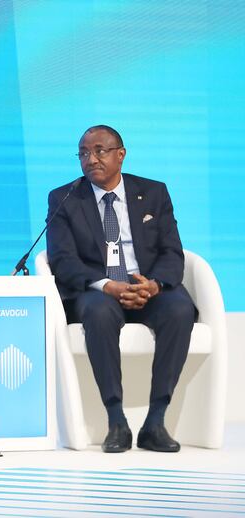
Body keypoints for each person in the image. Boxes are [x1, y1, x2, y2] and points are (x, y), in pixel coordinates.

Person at [46, 125, 196, 453]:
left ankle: (156, 421)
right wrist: (107, 285)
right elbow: (62, 260)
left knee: (180, 309)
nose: (91, 159)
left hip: (148, 285)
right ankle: (116, 420)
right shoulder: (65, 198)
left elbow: (172, 251)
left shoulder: (154, 192)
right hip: (98, 288)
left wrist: (154, 284)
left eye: (100, 150)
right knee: (98, 313)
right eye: (83, 153)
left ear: (120, 155)